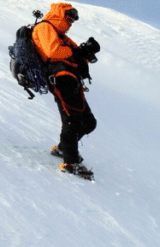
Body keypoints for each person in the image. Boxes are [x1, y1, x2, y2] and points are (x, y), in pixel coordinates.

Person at [32, 3, 99, 179]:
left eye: (72, 20)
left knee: (89, 122)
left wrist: (85, 52)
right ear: (59, 15)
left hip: (71, 79)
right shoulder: (45, 27)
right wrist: (74, 52)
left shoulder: (61, 36)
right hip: (60, 78)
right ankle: (70, 163)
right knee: (72, 120)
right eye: (68, 18)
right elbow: (53, 51)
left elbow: (75, 54)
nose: (70, 23)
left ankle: (63, 148)